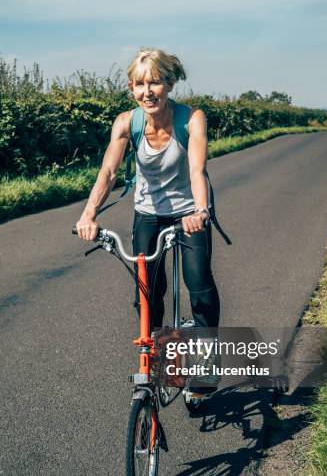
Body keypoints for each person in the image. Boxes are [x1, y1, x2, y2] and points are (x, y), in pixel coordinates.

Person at [76, 47, 220, 336]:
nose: (148, 92)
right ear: (131, 88)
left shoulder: (192, 119)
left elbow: (196, 171)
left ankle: (206, 356)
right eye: (140, 84)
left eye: (155, 82)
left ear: (169, 83)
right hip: (148, 213)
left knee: (198, 281)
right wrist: (88, 215)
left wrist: (201, 210)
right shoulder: (127, 122)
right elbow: (108, 172)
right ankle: (152, 351)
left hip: (190, 212)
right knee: (147, 290)